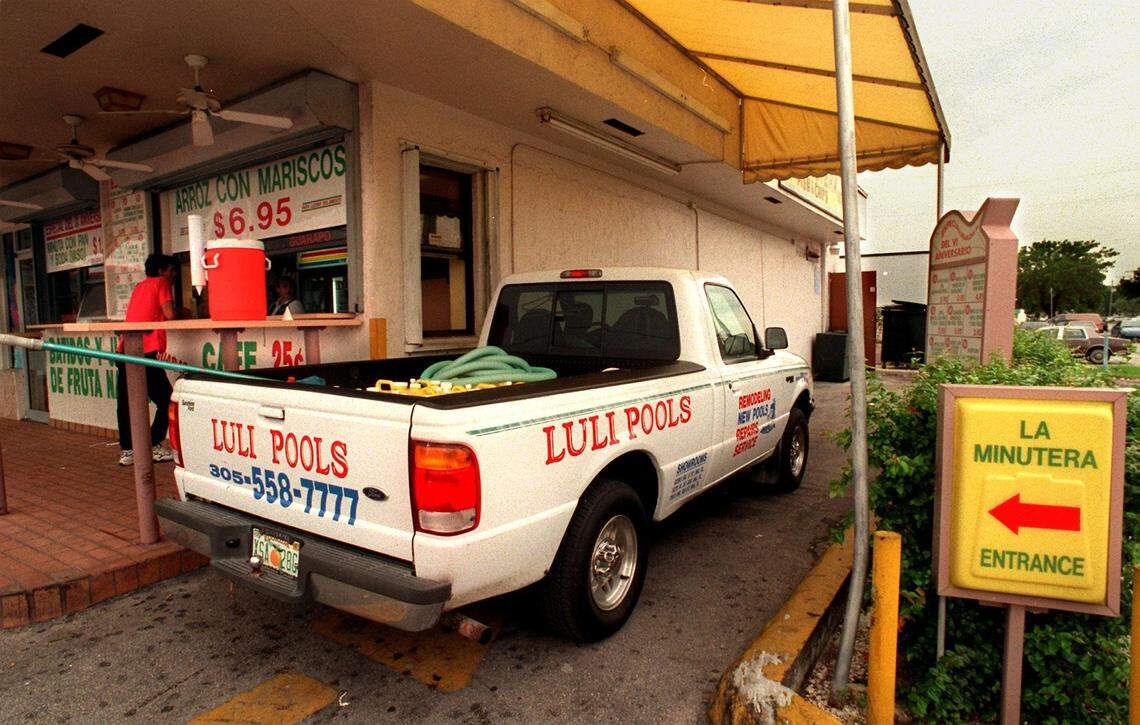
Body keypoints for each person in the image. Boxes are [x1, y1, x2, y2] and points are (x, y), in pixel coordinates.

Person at [116, 254, 177, 467]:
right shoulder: (161, 283)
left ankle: (128, 451)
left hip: (125, 350)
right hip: (145, 351)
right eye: (171, 270)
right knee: (167, 399)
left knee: (126, 402)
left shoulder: (139, 286)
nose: (174, 274)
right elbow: (169, 314)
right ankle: (153, 445)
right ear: (161, 271)